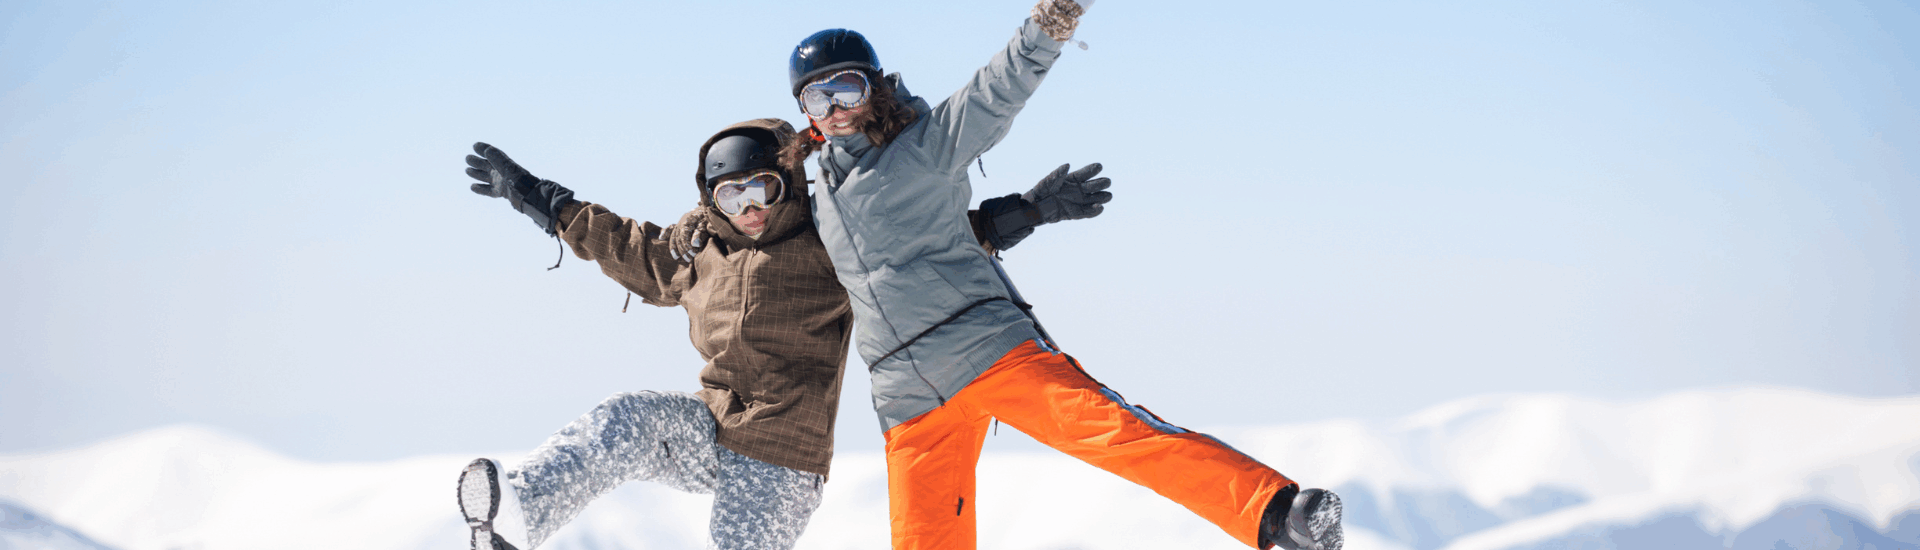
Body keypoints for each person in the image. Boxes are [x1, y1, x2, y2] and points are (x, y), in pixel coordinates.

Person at [776, 2, 1345, 550]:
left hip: (985, 350)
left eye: (845, 88)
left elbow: (999, 87)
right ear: (805, 111)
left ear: (873, 86)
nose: (835, 107)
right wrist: (1019, 214)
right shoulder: (818, 191)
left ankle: (1279, 516)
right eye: (817, 96)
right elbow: (905, 244)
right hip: (905, 395)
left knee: (1114, 434)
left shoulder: (925, 145)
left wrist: (1051, 19)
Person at [451, 118, 1112, 550]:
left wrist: (1029, 209)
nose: (752, 211)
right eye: (733, 197)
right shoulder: (696, 249)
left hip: (782, 461)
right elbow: (626, 246)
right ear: (712, 199)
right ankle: (522, 515)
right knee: (627, 419)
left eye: (763, 190)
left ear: (788, 183)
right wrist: (539, 197)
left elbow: (921, 243)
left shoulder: (831, 243)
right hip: (709, 433)